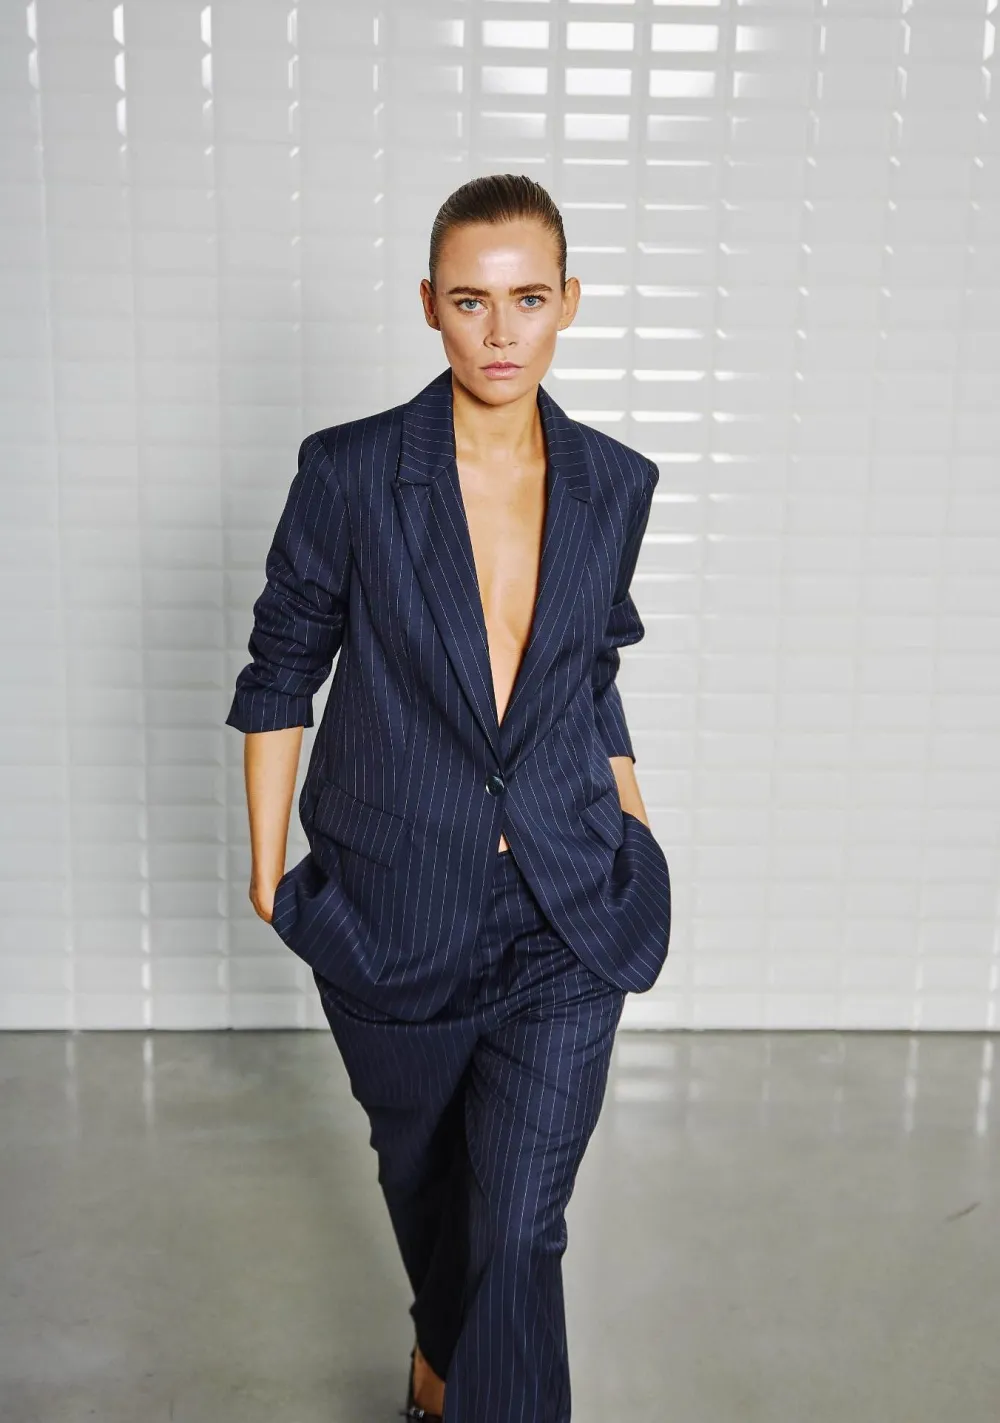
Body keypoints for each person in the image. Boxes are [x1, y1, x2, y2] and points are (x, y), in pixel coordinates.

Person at [225, 173, 671, 1423]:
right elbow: (282, 666)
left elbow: (589, 670)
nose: (499, 331)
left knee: (522, 1223)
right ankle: (439, 1354)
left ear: (569, 302)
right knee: (426, 1182)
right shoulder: (353, 471)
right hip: (393, 902)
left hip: (565, 905)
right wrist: (267, 874)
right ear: (430, 305)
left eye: (527, 299)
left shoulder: (615, 482)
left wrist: (632, 823)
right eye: (471, 301)